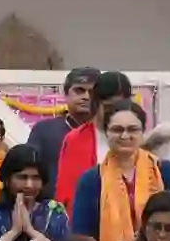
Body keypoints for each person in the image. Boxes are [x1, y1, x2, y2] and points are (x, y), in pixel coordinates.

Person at [69, 98, 170, 241]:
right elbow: (82, 236)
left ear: (142, 132)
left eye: (132, 129)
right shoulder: (92, 180)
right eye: (117, 129)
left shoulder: (164, 171)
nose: (124, 136)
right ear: (106, 132)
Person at [54, 70, 133, 211]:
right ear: (96, 104)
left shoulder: (136, 137)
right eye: (109, 108)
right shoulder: (75, 140)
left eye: (121, 108)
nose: (116, 114)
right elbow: (66, 195)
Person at [28, 66, 100, 194]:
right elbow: (30, 172)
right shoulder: (44, 130)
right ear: (66, 94)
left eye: (93, 92)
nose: (86, 97)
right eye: (79, 90)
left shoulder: (107, 134)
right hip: (53, 208)